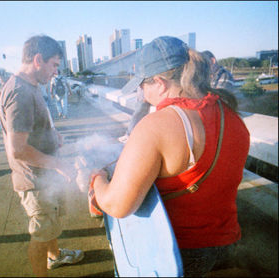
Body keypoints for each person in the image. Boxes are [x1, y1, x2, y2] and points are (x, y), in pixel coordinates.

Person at [89, 36, 250, 277]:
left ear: (159, 82)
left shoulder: (156, 126)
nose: (141, 92)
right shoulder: (232, 115)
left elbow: (117, 205)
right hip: (227, 244)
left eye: (142, 84)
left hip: (178, 254)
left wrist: (97, 181)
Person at [0, 35, 84, 277]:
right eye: (54, 65)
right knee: (40, 233)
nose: (55, 71)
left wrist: (52, 133)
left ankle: (55, 257)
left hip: (44, 175)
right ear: (38, 60)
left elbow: (32, 127)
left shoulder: (29, 86)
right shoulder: (20, 93)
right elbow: (18, 148)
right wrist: (57, 164)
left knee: (51, 224)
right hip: (35, 180)